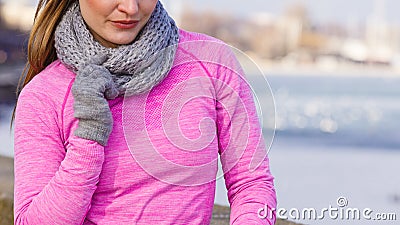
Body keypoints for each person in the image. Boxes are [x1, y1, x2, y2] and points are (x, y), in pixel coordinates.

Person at [12, 0, 277, 224]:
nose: (130, 7)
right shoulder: (44, 94)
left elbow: (252, 185)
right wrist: (89, 139)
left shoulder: (211, 61)